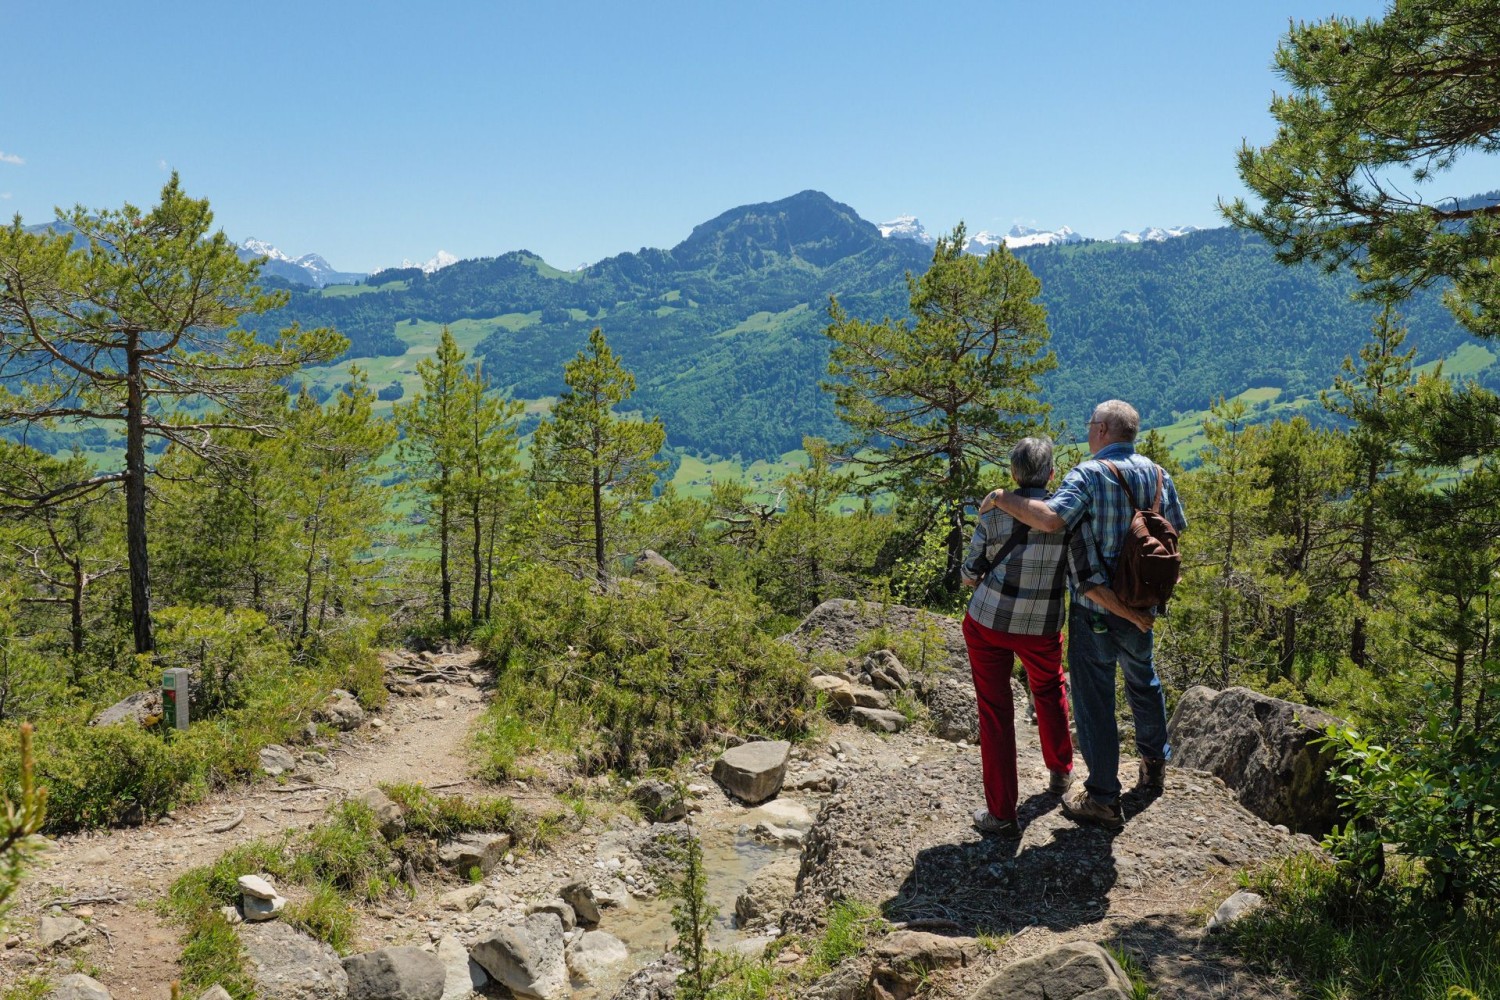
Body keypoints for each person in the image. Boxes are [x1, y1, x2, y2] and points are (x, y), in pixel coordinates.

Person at [981, 401, 1186, 831]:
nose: (1089, 431)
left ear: (1104, 430)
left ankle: (1103, 797)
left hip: (1096, 606)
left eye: (1091, 425)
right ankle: (1153, 765)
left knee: (1095, 700)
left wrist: (1003, 498)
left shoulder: (1088, 474)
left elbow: (1052, 520)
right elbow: (1173, 529)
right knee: (1143, 680)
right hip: (1141, 604)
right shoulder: (1159, 474)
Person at [962, 436, 1153, 840]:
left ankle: (1001, 814)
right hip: (1043, 625)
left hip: (988, 623)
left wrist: (975, 575)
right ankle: (1060, 771)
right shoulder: (1069, 520)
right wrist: (1132, 613)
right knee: (1049, 689)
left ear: (1013, 474)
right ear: (1051, 474)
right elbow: (1085, 578)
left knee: (994, 711)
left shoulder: (994, 513)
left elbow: (970, 568)